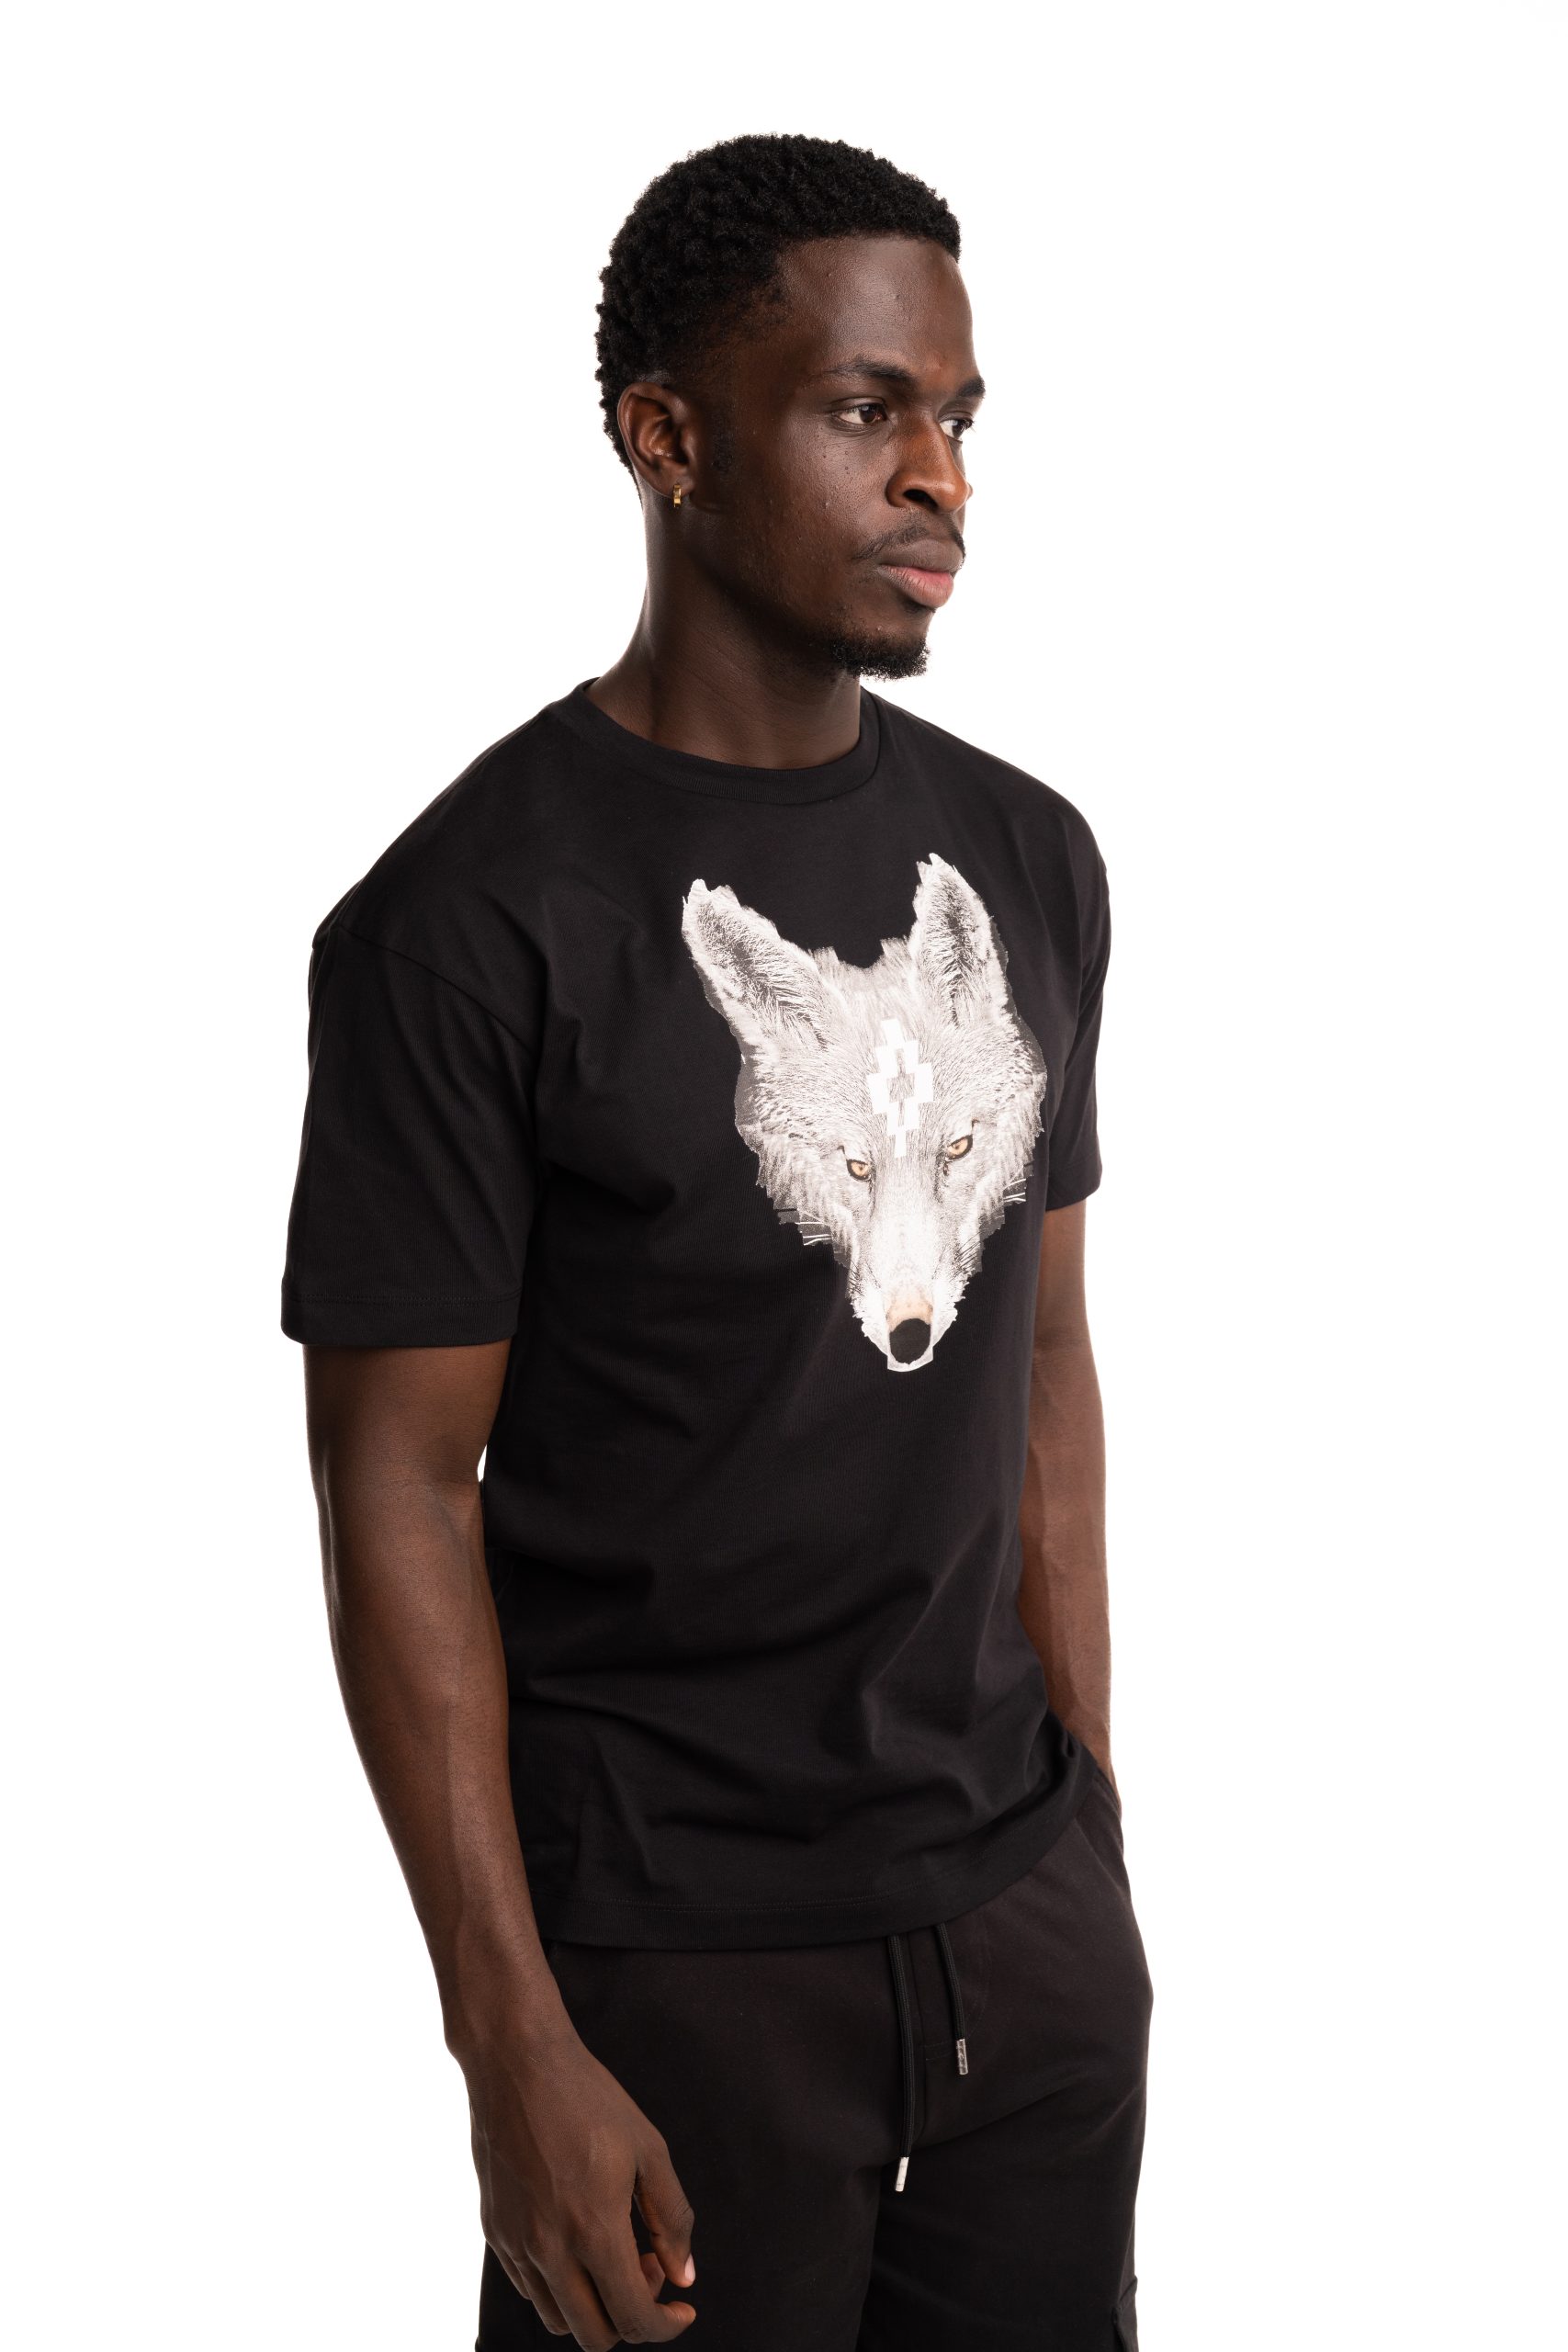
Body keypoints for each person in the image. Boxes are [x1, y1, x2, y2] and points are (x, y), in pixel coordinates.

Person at [282, 132, 1151, 2352]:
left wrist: (1088, 1835)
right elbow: (397, 1483)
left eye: (954, 414)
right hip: (671, 1967)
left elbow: (1043, 1358)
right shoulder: (466, 925)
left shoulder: (1026, 857)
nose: (939, 474)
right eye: (864, 410)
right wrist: (509, 2039)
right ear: (664, 439)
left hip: (1022, 1933)